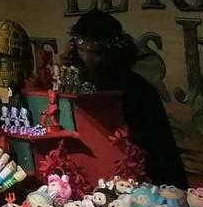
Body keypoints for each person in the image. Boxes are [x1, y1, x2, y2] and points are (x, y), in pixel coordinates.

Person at [68, 10, 188, 187]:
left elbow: (154, 149)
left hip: (141, 175)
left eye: (95, 52)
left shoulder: (135, 88)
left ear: (111, 51)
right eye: (82, 50)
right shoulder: (79, 79)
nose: (87, 58)